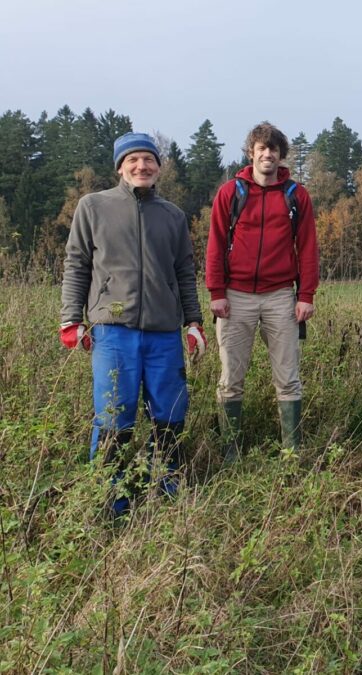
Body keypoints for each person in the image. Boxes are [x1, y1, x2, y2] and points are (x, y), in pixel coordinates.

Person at [60, 132, 205, 517]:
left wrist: (194, 322)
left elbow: (184, 271)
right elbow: (77, 265)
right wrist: (71, 319)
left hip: (163, 332)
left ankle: (167, 486)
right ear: (120, 166)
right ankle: (111, 498)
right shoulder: (93, 207)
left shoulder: (172, 215)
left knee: (170, 412)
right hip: (113, 330)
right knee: (114, 413)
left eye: (149, 160)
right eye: (134, 160)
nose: (142, 167)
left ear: (159, 167)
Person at [205, 122, 319, 460]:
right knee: (231, 377)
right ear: (251, 153)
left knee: (288, 377)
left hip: (280, 296)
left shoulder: (296, 195)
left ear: (281, 155)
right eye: (261, 149)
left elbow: (308, 247)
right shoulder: (231, 192)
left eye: (273, 149)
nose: (267, 154)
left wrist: (306, 295)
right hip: (234, 296)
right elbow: (215, 243)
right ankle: (231, 449)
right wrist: (216, 291)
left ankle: (291, 450)